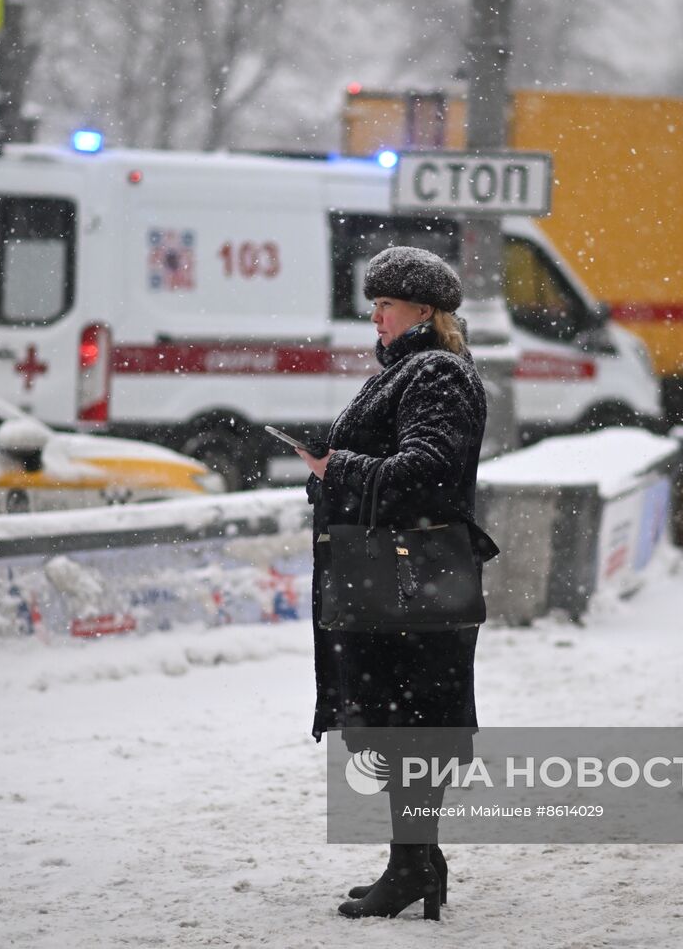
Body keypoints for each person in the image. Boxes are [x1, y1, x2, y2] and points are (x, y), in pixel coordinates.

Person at [298, 246, 488, 921]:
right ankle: (416, 861)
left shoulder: (435, 372)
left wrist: (337, 467)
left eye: (387, 303)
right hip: (395, 580)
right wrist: (334, 469)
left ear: (425, 311)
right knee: (401, 722)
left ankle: (412, 865)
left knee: (411, 725)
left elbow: (428, 468)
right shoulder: (412, 370)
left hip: (411, 582)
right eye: (373, 303)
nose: (374, 315)